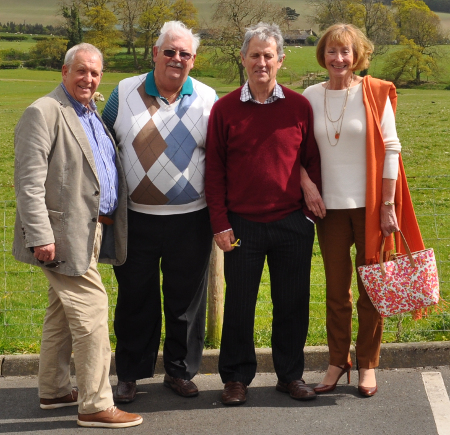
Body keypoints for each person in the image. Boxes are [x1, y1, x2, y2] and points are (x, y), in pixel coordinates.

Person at [13, 43, 142, 428]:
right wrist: (40, 235)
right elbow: (28, 182)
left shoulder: (89, 114)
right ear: (64, 72)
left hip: (92, 230)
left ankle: (53, 389)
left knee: (60, 313)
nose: (88, 79)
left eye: (95, 73)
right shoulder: (44, 111)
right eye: (81, 71)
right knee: (92, 312)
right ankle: (96, 403)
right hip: (61, 235)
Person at [301, 23, 424, 397]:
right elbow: (298, 150)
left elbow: (392, 148)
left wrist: (388, 205)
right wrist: (307, 186)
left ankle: (369, 364)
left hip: (371, 210)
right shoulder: (308, 95)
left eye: (346, 52)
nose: (339, 58)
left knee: (372, 290)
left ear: (358, 56)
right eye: (332, 51)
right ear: (323, 55)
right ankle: (338, 362)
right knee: (337, 293)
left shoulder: (374, 92)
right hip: (330, 212)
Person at [205, 22, 321, 406]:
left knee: (292, 303)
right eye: (254, 55)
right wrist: (220, 223)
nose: (261, 62)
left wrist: (306, 215)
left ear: (281, 61)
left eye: (268, 55)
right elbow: (215, 172)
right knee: (239, 304)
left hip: (291, 223)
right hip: (242, 225)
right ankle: (236, 378)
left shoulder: (299, 106)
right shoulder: (224, 110)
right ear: (243, 59)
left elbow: (311, 162)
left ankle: (290, 376)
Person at [102, 21, 217, 403]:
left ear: (193, 60)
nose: (176, 59)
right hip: (135, 220)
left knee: (185, 302)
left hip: (192, 220)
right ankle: (131, 374)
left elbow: (219, 157)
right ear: (155, 53)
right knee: (136, 298)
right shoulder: (122, 93)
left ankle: (180, 372)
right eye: (169, 51)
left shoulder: (207, 97)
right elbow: (99, 147)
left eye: (184, 53)